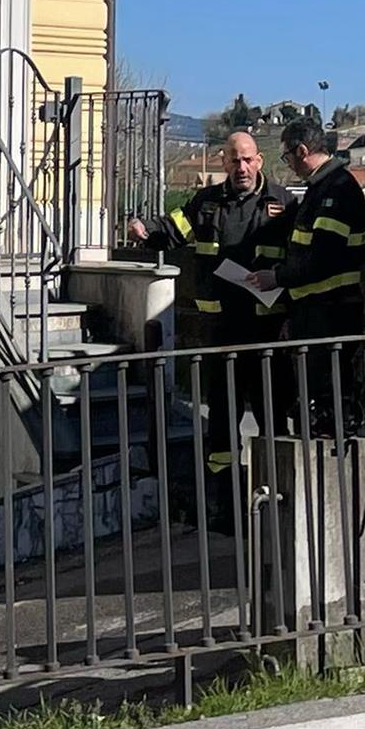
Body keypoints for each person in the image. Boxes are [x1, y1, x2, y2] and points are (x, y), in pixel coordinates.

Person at [155, 127, 288, 502]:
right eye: (234, 160)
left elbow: (302, 258)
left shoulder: (282, 202)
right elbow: (173, 230)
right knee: (222, 418)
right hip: (222, 330)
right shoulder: (207, 202)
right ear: (224, 162)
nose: (242, 167)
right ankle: (224, 500)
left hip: (267, 329)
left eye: (248, 159)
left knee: (272, 412)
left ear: (259, 160)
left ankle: (277, 489)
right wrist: (146, 231)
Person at [277, 123, 365, 430]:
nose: (289, 163)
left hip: (330, 313)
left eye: (287, 156)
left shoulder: (335, 190)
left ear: (302, 151)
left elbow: (323, 258)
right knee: (320, 396)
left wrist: (277, 277)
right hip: (318, 311)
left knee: (332, 401)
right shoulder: (323, 188)